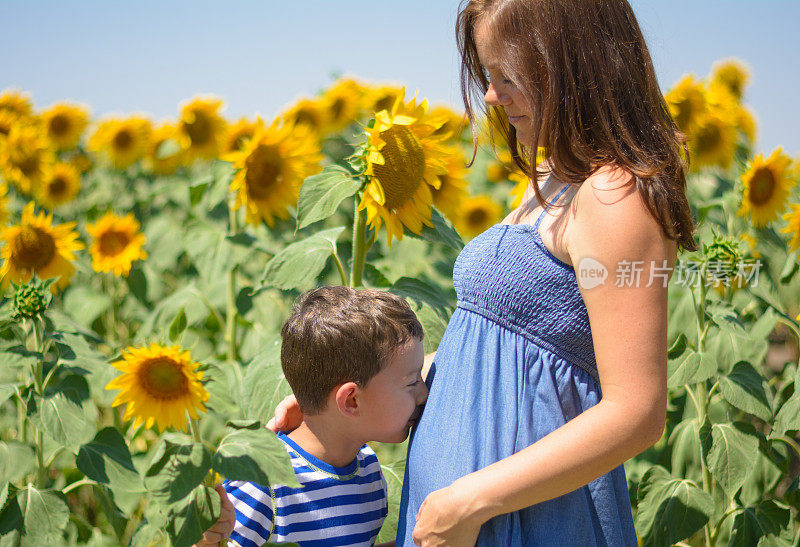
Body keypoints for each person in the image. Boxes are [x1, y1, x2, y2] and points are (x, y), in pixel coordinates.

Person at [269, 0, 698, 545]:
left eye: (507, 75)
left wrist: (470, 501)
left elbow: (637, 411)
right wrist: (338, 401)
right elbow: (499, 360)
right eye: (487, 76)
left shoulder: (613, 197)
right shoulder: (554, 176)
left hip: (531, 520)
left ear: (571, 67)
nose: (492, 95)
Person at [195, 286, 428, 547]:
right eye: (412, 383)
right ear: (351, 401)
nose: (424, 393)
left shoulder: (368, 473)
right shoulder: (263, 485)